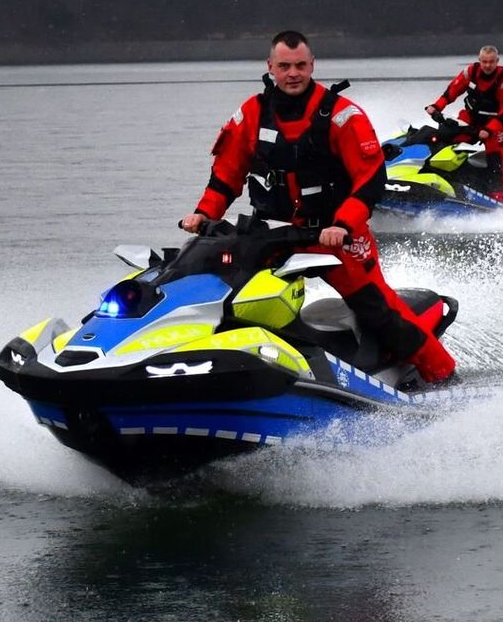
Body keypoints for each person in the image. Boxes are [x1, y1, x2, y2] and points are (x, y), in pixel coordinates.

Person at [180, 30, 457, 385]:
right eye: (284, 66)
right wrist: (204, 213)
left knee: (378, 312)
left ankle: (444, 376)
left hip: (333, 235)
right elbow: (226, 175)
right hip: (273, 234)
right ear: (270, 67)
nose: (292, 73)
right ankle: (215, 367)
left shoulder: (342, 115)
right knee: (214, 282)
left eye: (299, 65)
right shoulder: (251, 113)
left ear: (312, 65)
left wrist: (343, 224)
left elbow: (370, 179)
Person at [424, 45, 503, 202]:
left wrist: (489, 129)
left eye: (491, 62)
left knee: (495, 157)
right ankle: (442, 177)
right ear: (479, 60)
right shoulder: (470, 72)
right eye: (484, 62)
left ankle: (497, 196)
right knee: (444, 136)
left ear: (497, 61)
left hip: (495, 125)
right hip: (471, 119)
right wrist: (436, 106)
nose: (488, 65)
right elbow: (452, 91)